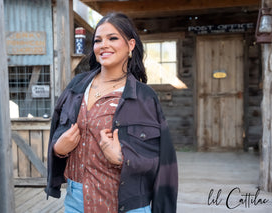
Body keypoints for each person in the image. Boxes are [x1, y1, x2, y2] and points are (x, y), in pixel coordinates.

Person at [45, 12, 178, 213]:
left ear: (131, 45)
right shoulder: (76, 86)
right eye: (98, 40)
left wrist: (122, 158)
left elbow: (162, 160)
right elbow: (58, 132)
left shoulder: (144, 97)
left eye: (112, 38)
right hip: (76, 201)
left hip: (125, 202)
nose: (103, 45)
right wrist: (59, 149)